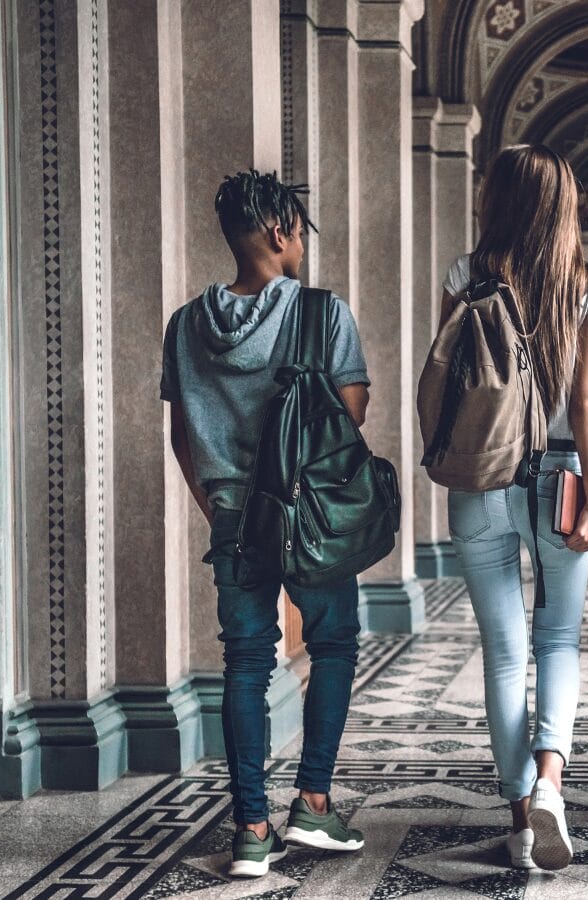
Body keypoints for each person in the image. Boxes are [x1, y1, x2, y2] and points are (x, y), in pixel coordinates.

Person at [162, 171, 372, 878]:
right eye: (300, 234)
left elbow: (183, 437)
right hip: (312, 516)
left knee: (247, 663)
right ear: (281, 231)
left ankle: (251, 829)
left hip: (233, 520)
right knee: (334, 643)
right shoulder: (322, 312)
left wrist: (219, 508)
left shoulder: (187, 324)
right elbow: (350, 417)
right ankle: (313, 803)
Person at [441, 145, 588, 872]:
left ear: (499, 200)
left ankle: (519, 819)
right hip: (561, 475)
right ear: (565, 205)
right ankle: (551, 781)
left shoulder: (463, 275)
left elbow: (450, 376)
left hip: (480, 475)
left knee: (505, 652)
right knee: (559, 642)